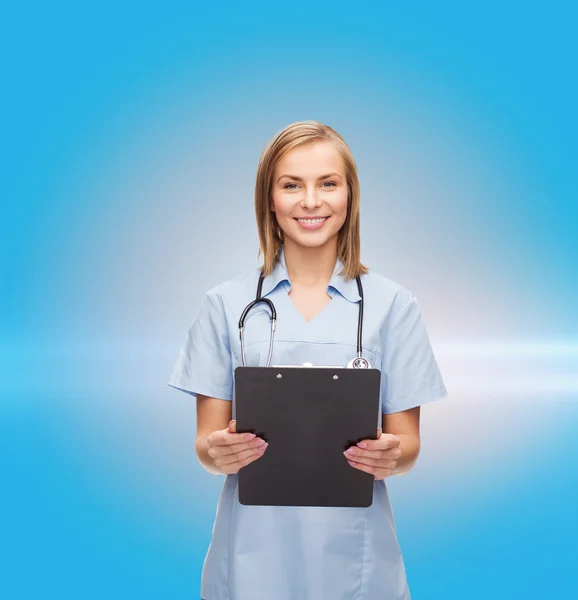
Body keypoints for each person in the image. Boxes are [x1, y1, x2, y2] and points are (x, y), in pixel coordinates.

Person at [167, 120, 448, 600]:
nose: (311, 201)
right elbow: (205, 446)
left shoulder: (393, 305)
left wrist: (390, 456)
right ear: (269, 200)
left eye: (328, 184)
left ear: (349, 197)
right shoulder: (224, 304)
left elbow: (409, 446)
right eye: (291, 185)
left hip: (357, 559)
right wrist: (219, 452)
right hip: (251, 556)